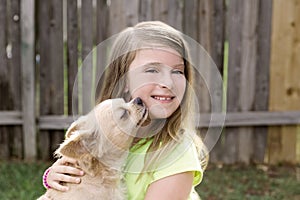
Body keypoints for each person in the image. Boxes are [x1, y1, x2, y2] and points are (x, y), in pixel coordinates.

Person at [40, 21, 208, 200]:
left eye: (177, 72)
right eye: (152, 70)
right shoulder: (108, 139)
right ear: (124, 81)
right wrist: (56, 177)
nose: (167, 83)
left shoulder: (177, 153)